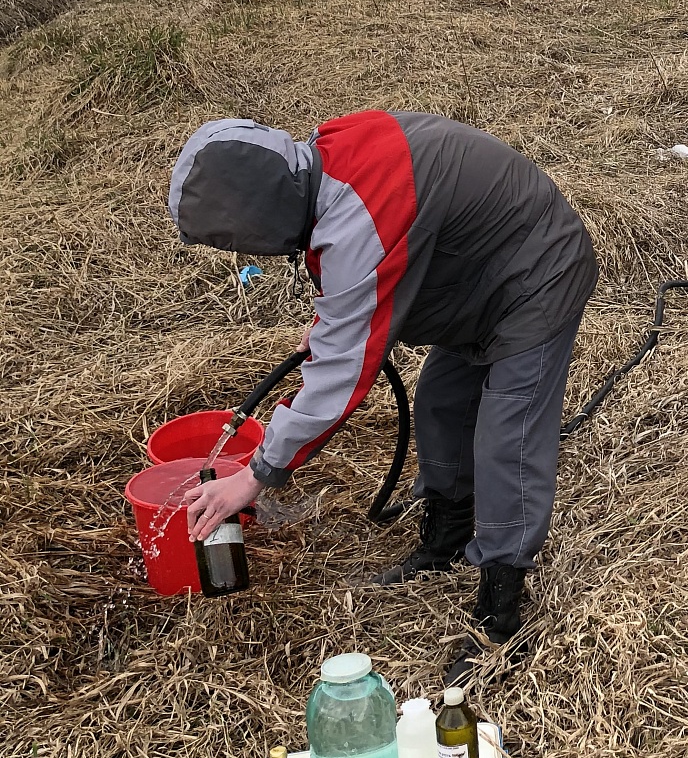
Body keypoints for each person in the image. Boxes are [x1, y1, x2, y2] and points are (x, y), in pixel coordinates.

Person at [168, 110, 597, 668]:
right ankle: (446, 540)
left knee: (506, 438)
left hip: (537, 275)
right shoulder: (330, 159)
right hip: (478, 278)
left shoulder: (356, 222)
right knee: (441, 406)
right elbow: (367, 278)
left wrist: (254, 476)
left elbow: (340, 378)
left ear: (258, 217)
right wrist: (336, 322)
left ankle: (501, 606)